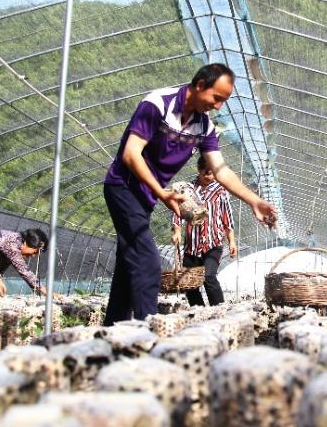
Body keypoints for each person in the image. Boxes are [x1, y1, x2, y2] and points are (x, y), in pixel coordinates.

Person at [102, 63, 276, 324]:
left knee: (128, 264)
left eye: (224, 101)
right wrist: (162, 193)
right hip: (124, 187)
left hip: (146, 196)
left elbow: (221, 170)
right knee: (147, 262)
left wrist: (254, 200)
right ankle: (149, 329)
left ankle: (114, 328)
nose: (218, 106)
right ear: (200, 85)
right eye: (216, 98)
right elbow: (130, 154)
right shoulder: (158, 104)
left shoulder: (204, 127)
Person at [170, 154, 237, 307]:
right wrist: (177, 231)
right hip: (192, 246)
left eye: (212, 173)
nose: (210, 177)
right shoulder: (188, 190)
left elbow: (227, 217)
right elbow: (178, 212)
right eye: (206, 173)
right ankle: (199, 311)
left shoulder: (220, 190)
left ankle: (219, 309)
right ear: (199, 170)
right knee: (189, 283)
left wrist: (232, 241)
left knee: (209, 276)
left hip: (213, 244)